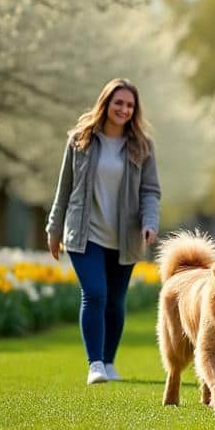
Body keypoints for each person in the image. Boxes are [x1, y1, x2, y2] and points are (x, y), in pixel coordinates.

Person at [47, 78, 161, 385]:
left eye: (129, 105)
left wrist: (151, 223)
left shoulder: (142, 146)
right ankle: (94, 364)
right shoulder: (80, 140)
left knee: (115, 301)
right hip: (84, 233)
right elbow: (64, 188)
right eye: (118, 103)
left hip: (126, 236)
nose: (123, 109)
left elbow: (150, 191)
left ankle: (109, 362)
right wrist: (53, 230)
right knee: (95, 294)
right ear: (106, 103)